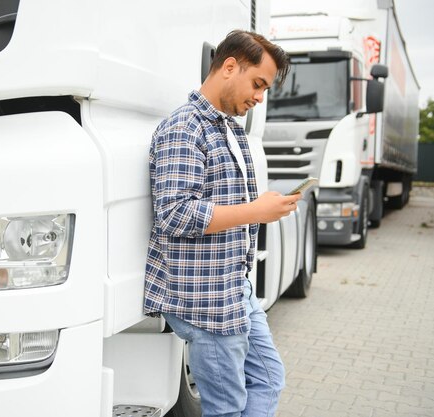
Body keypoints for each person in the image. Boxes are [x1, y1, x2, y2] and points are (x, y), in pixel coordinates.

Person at [144, 30, 298, 417]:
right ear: (230, 66)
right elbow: (176, 213)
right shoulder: (184, 128)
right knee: (226, 407)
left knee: (268, 378)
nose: (260, 96)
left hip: (233, 289)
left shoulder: (226, 127)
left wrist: (262, 207)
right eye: (258, 83)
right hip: (204, 300)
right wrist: (257, 211)